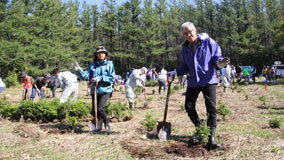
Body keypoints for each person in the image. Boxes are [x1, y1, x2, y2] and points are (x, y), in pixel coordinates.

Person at [169, 22, 228, 149]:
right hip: (193, 81)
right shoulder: (185, 47)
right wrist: (176, 71)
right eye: (185, 33)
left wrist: (221, 63)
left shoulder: (208, 42)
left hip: (208, 80)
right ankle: (200, 126)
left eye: (190, 31)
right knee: (189, 106)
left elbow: (217, 58)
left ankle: (211, 138)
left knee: (211, 109)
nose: (188, 35)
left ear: (195, 30)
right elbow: (185, 66)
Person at [75, 46, 115, 132]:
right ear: (96, 55)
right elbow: (86, 76)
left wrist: (100, 78)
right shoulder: (92, 65)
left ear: (105, 54)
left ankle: (107, 124)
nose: (101, 55)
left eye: (102, 53)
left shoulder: (109, 64)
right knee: (94, 110)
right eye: (99, 53)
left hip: (106, 90)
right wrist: (80, 70)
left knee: (100, 108)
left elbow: (111, 78)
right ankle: (98, 125)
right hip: (95, 90)